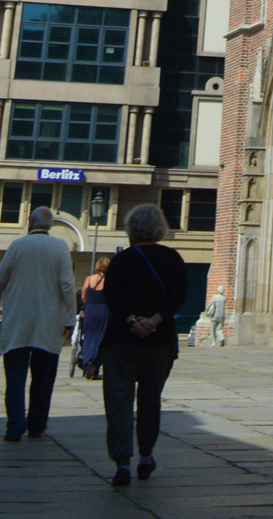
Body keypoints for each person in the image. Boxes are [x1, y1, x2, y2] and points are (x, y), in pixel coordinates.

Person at [100, 202, 188, 489]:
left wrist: (132, 320)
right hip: (159, 342)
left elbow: (111, 297)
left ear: (131, 229)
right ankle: (146, 456)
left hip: (121, 342)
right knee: (150, 400)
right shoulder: (172, 258)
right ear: (159, 228)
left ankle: (122, 462)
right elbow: (179, 295)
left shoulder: (121, 260)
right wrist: (155, 320)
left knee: (119, 403)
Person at [0, 205, 76, 442]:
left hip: (17, 323)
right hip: (48, 324)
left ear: (30, 222)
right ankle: (36, 425)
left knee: (14, 380)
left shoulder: (17, 245)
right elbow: (67, 284)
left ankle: (14, 427)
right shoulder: (60, 247)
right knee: (43, 381)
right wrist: (70, 319)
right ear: (50, 226)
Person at [78, 256, 111, 379]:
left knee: (89, 337)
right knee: (101, 339)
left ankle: (87, 363)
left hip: (90, 310)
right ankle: (95, 366)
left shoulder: (89, 279)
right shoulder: (109, 280)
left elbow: (83, 296)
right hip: (103, 310)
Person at [203, 283, 227, 348]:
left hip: (214, 315)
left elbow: (209, 305)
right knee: (219, 329)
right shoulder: (224, 298)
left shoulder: (215, 297)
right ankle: (221, 338)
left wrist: (206, 311)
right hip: (222, 316)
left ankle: (213, 343)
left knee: (212, 329)